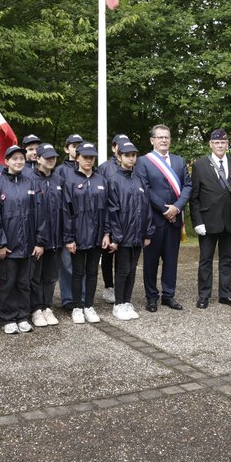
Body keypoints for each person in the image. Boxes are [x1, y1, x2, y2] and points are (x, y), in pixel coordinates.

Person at [189, 128, 231, 309]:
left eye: (223, 142)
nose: (220, 145)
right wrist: (197, 221)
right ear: (210, 144)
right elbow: (194, 197)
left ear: (227, 143)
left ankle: (225, 294)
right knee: (205, 260)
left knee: (227, 260)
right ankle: (204, 295)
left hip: (230, 220)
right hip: (208, 222)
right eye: (216, 143)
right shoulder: (200, 165)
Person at [135, 124, 192, 312]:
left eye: (166, 137)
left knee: (171, 260)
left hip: (174, 220)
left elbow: (187, 187)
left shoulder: (179, 161)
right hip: (154, 220)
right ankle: (151, 297)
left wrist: (176, 207)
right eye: (160, 137)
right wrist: (164, 209)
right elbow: (145, 188)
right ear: (152, 140)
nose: (164, 140)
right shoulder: (143, 161)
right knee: (150, 262)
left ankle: (169, 295)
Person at [0, 146, 43, 333]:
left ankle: (22, 316)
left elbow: (39, 214)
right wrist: (0, 243)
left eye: (21, 158)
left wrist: (39, 242)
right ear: (6, 161)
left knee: (24, 283)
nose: (19, 161)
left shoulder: (30, 183)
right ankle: (7, 318)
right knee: (8, 283)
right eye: (14, 158)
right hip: (8, 247)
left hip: (28, 245)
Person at [64, 142, 111, 323]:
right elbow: (66, 211)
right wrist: (69, 238)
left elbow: (107, 209)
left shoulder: (101, 181)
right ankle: (77, 307)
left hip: (97, 236)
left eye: (92, 157)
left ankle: (89, 306)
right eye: (85, 157)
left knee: (92, 272)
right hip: (77, 235)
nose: (88, 160)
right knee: (77, 272)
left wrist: (106, 233)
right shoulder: (70, 180)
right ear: (77, 158)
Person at [106, 141, 153, 320]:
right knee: (123, 269)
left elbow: (146, 208)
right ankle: (118, 304)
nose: (131, 158)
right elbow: (113, 210)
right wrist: (116, 237)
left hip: (138, 234)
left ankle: (127, 301)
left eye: (133, 155)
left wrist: (148, 232)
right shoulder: (113, 180)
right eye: (127, 155)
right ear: (119, 156)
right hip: (123, 235)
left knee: (133, 269)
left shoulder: (139, 180)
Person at [30, 143, 63, 327]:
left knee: (50, 276)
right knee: (35, 276)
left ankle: (47, 306)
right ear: (38, 158)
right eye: (47, 157)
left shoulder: (59, 179)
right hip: (37, 240)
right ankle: (36, 309)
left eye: (54, 157)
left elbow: (65, 209)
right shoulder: (29, 178)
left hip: (55, 239)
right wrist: (36, 239)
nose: (51, 160)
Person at [97, 134, 130, 304]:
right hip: (109, 218)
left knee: (123, 257)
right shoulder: (104, 168)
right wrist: (107, 229)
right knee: (108, 255)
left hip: (127, 221)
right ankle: (109, 287)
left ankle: (121, 288)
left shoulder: (133, 166)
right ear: (113, 148)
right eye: (119, 145)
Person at [57, 133, 84, 310]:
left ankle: (82, 297)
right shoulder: (60, 170)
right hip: (66, 223)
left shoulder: (88, 168)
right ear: (67, 149)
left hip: (84, 224)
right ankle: (68, 298)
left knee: (82, 263)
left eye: (79, 145)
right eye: (73, 145)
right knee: (66, 264)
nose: (76, 148)